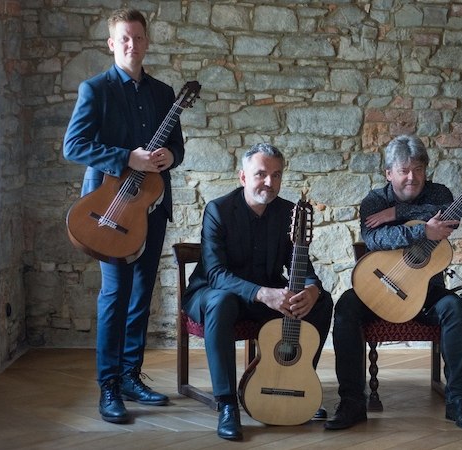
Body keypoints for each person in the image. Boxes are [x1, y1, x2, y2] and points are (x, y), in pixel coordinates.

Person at [63, 8, 185, 423]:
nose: (132, 44)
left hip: (151, 208)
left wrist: (170, 156)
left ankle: (132, 376)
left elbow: (178, 150)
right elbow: (73, 146)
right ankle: (109, 386)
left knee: (141, 297)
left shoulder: (164, 92)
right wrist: (125, 157)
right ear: (111, 44)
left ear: (147, 42)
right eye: (124, 38)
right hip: (108, 209)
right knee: (115, 296)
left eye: (138, 37)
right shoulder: (94, 89)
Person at [325, 134, 462, 432]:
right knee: (345, 307)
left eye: (418, 169)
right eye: (403, 170)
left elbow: (452, 212)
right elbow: (375, 239)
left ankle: (458, 400)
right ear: (388, 173)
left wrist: (398, 213)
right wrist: (422, 232)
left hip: (425, 293)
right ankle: (352, 402)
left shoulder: (439, 194)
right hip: (379, 287)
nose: (412, 177)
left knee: (454, 309)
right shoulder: (374, 200)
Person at [182, 143, 333, 440]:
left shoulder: (289, 212)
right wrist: (264, 293)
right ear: (243, 177)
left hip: (265, 296)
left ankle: (299, 382)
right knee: (222, 302)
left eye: (276, 175)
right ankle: (227, 405)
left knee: (322, 301)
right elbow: (215, 274)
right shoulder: (219, 210)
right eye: (261, 174)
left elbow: (303, 270)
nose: (269, 182)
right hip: (212, 293)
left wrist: (313, 290)